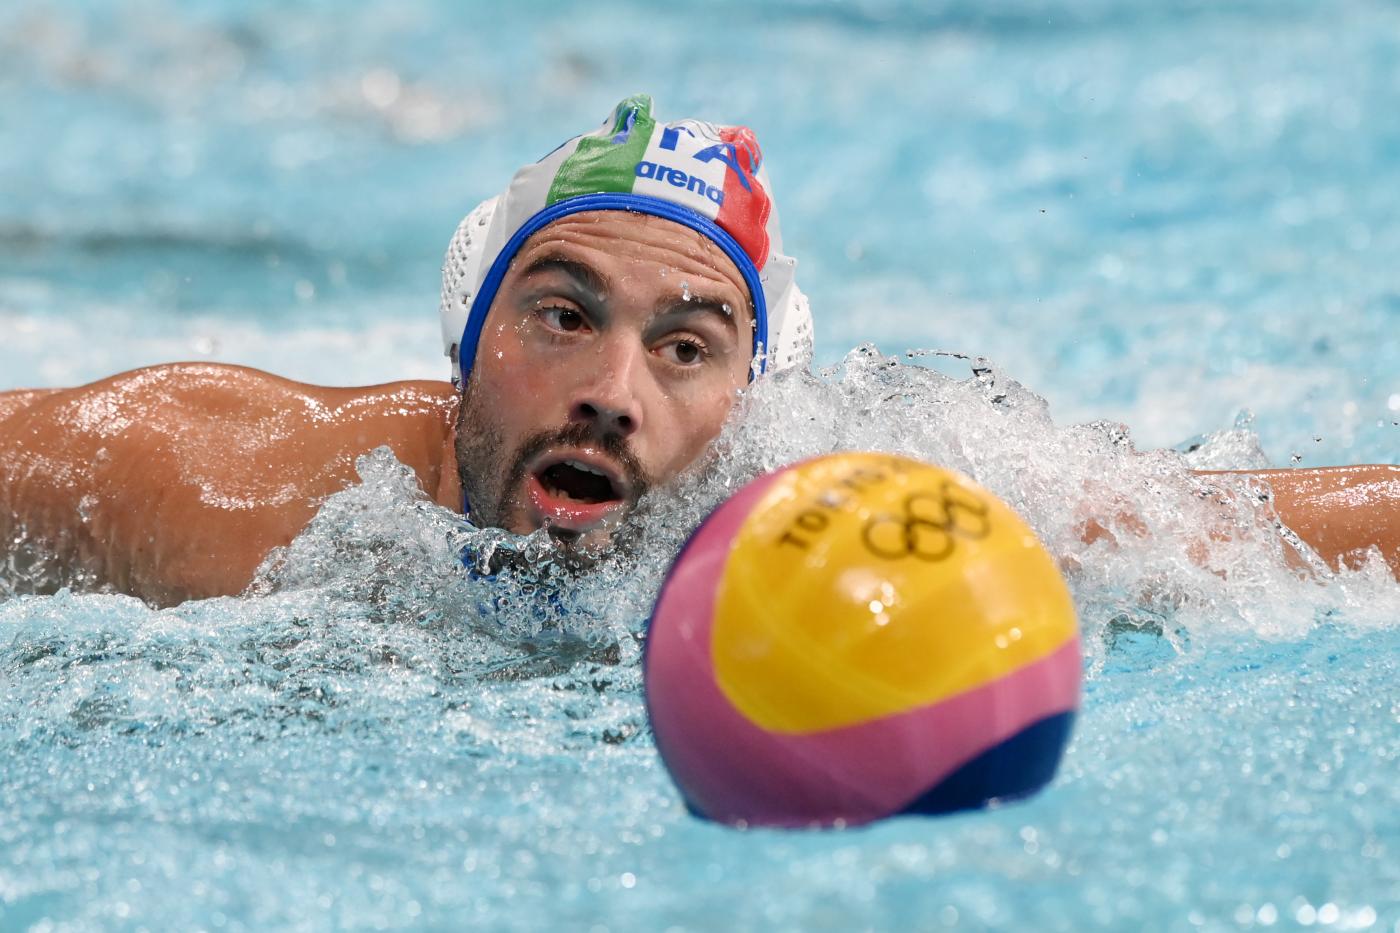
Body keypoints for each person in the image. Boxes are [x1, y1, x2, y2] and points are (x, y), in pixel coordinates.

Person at [0, 95, 1396, 607]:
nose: (612, 394)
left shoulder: (856, 504)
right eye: (562, 317)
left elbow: (1244, 533)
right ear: (468, 342)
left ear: (750, 400)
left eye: (685, 346)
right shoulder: (222, 490)